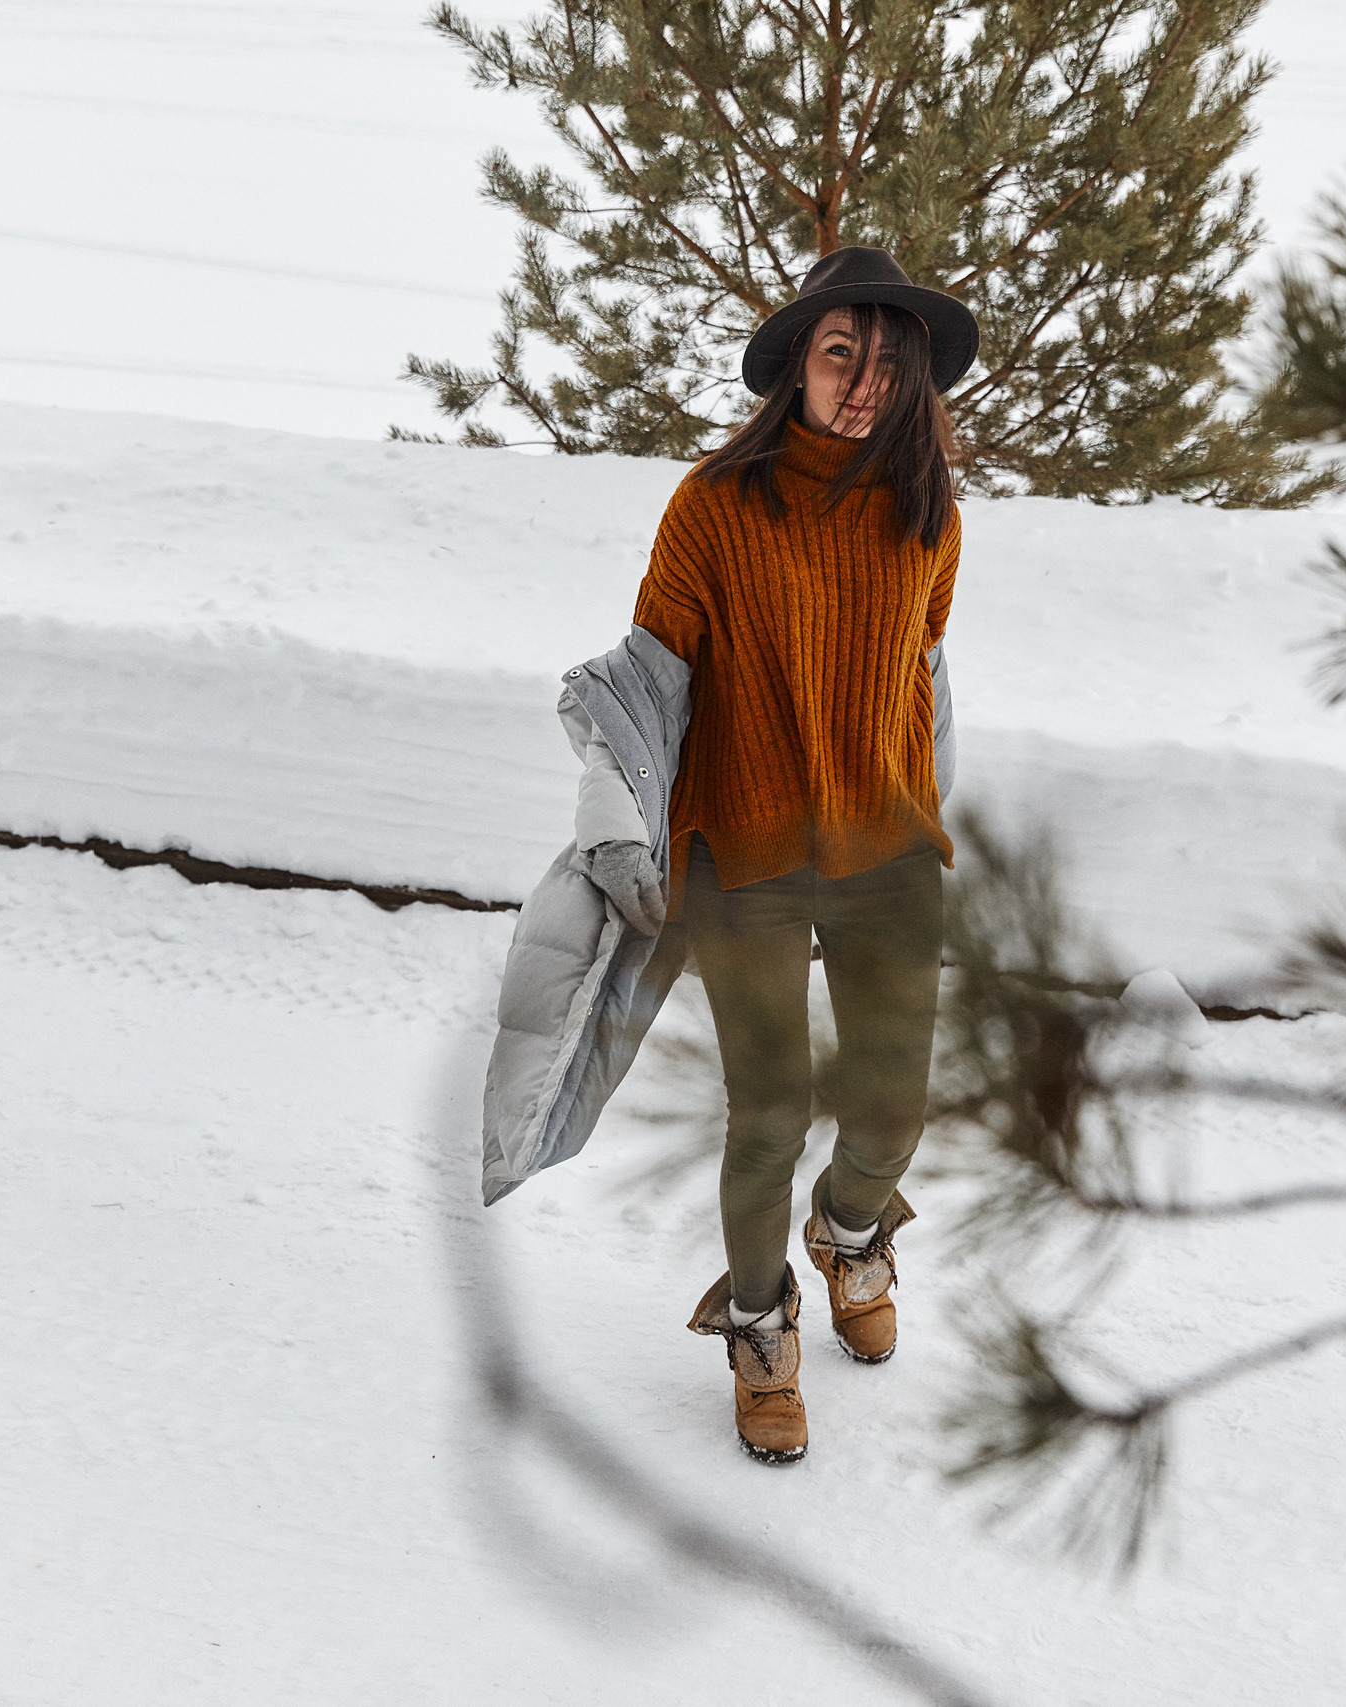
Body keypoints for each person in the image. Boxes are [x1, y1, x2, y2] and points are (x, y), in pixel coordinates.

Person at [555, 248, 979, 1466]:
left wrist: (924, 801)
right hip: (740, 846)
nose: (861, 382)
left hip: (886, 847)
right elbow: (644, 683)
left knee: (893, 1107)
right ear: (795, 363)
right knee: (772, 1110)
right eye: (841, 354)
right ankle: (758, 1326)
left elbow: (920, 668)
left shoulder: (928, 514)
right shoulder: (710, 506)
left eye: (887, 364)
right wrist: (616, 824)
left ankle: (849, 1237)